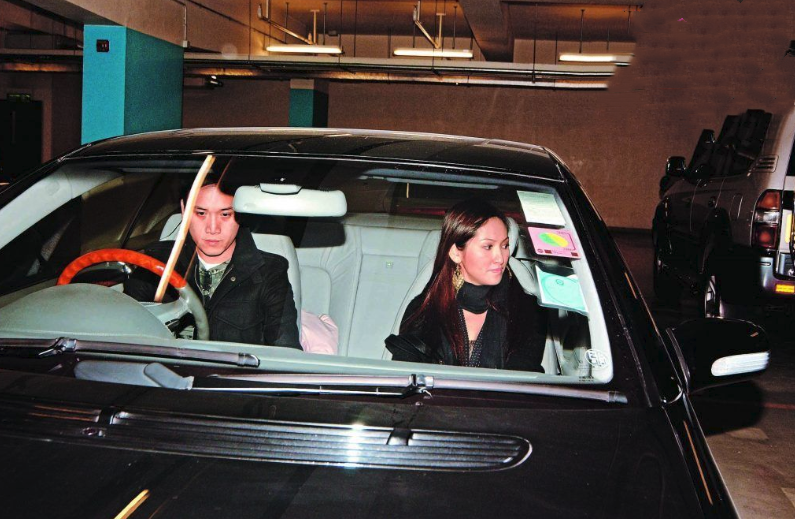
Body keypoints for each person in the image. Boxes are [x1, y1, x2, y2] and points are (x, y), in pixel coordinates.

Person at [124, 176, 300, 349]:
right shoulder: (154, 263)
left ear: (241, 214)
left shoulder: (269, 272)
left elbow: (286, 351)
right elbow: (124, 334)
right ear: (184, 210)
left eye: (225, 214)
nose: (213, 228)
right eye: (201, 213)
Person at [386, 199, 546, 371]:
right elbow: (406, 373)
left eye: (504, 245)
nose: (500, 258)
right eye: (488, 247)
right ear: (456, 253)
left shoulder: (527, 311)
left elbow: (522, 378)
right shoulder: (424, 309)